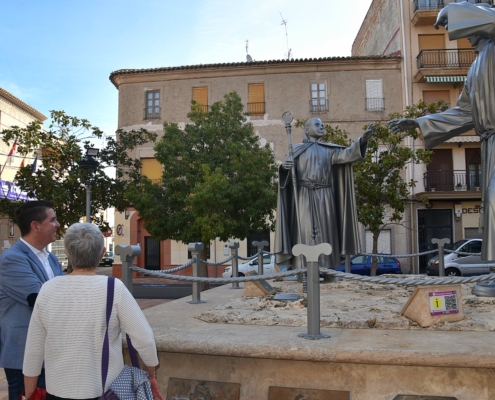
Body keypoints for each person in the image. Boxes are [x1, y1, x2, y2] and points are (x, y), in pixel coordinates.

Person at [389, 1, 495, 261]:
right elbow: (463, 114)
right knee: (490, 203)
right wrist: (417, 123)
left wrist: (456, 10)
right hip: (490, 144)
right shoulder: (475, 67)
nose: (462, 34)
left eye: (466, 25)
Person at [22, 223, 163, 400]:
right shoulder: (114, 288)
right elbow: (145, 340)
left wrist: (29, 393)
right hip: (105, 391)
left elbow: (34, 349)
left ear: (67, 253)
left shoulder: (47, 290)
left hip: (58, 390)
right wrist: (151, 375)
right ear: (102, 253)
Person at [275, 117, 374, 269]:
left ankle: (328, 270)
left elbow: (347, 154)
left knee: (326, 232)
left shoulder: (330, 150)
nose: (321, 127)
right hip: (302, 196)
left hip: (325, 196)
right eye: (317, 125)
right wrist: (285, 168)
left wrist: (362, 140)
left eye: (322, 125)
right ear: (307, 129)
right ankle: (303, 269)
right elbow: (286, 177)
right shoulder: (295, 149)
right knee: (304, 232)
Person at [0, 200, 63, 400]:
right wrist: (53, 292)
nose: (58, 224)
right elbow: (40, 299)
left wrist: (52, 290)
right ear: (35, 226)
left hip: (51, 353)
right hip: (24, 358)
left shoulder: (51, 258)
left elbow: (60, 296)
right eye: (52, 220)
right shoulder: (12, 259)